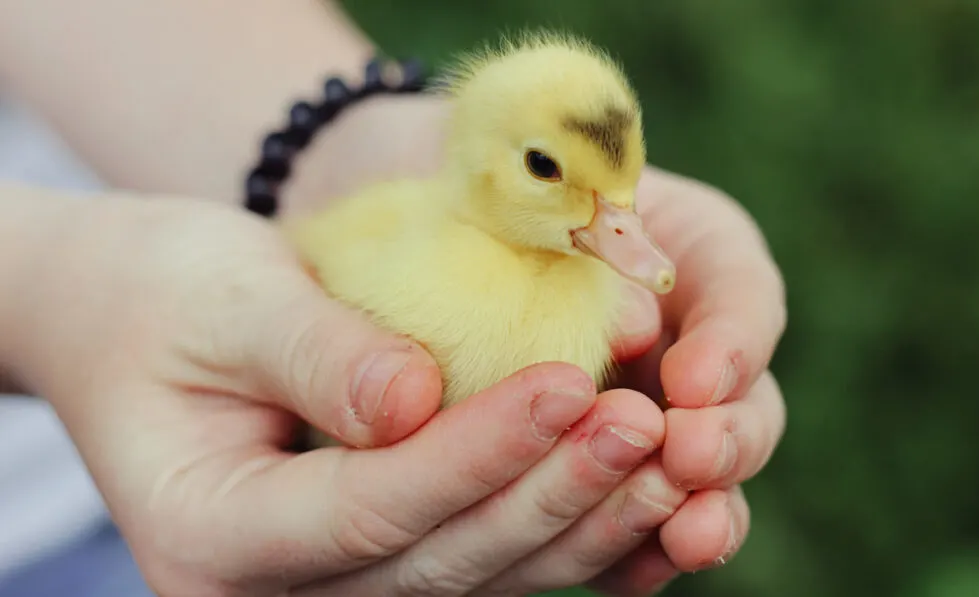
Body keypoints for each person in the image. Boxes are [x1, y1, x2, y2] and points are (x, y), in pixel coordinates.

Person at [0, 1, 788, 595]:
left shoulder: (523, 241)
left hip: (99, 475)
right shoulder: (421, 260)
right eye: (550, 172)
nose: (626, 233)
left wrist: (324, 139)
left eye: (622, 198)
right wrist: (41, 295)